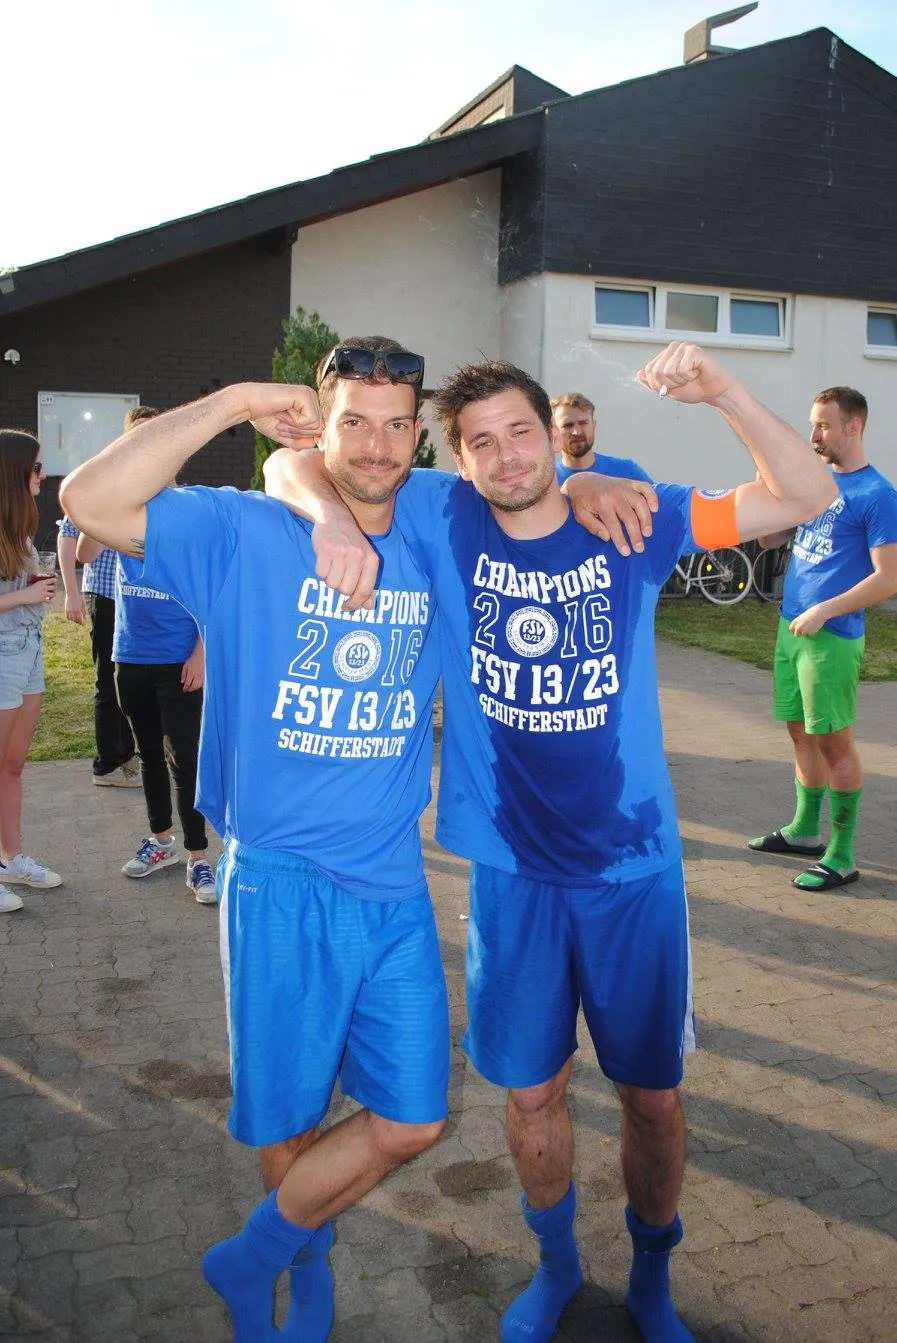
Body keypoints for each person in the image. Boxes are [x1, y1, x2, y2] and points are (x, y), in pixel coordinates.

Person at [265, 341, 837, 1343]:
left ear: (553, 434)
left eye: (521, 432)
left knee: (652, 1098)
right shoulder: (441, 515)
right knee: (531, 1093)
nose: (505, 454)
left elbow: (805, 492)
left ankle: (652, 1271)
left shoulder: (632, 516)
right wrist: (326, 515)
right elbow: (292, 463)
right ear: (457, 459)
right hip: (511, 872)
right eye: (480, 441)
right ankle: (557, 1261)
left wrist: (722, 392)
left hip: (632, 869)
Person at [60, 337, 450, 1343]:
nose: (376, 445)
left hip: (394, 886)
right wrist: (235, 400)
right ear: (318, 426)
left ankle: (254, 1252)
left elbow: (533, 494)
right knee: (288, 1115)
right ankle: (301, 1271)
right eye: (353, 421)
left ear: (420, 433)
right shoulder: (241, 529)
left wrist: (590, 488)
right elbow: (89, 500)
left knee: (415, 1116)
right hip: (280, 878)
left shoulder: (436, 523)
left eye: (396, 424)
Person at [748, 386, 897, 891]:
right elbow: (769, 537)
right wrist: (768, 484)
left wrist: (825, 610)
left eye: (824, 425)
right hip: (791, 628)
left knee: (834, 742)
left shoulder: (877, 495)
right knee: (799, 732)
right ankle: (805, 830)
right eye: (812, 424)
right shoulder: (815, 482)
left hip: (831, 636)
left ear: (853, 426)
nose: (813, 434)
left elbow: (889, 578)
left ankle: (842, 853)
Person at [76, 407, 214, 903]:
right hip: (130, 656)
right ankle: (161, 842)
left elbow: (211, 589)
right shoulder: (120, 508)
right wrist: (111, 487)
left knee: (185, 760)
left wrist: (200, 653)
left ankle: (199, 858)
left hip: (178, 659)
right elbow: (84, 553)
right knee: (149, 754)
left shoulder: (190, 509)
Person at [0, 431, 63, 911]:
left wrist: (38, 585)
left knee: (14, 764)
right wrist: (25, 593)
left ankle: (12, 858)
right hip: (3, 655)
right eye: (37, 467)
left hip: (29, 650)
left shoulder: (18, 530)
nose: (43, 475)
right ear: (15, 471)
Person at [57, 511, 140, 788]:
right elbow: (68, 537)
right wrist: (71, 592)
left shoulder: (139, 492)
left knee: (126, 677)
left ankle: (126, 754)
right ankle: (106, 765)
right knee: (107, 679)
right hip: (105, 595)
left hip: (133, 596)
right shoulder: (91, 494)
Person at [551, 391, 652, 487]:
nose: (577, 432)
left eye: (583, 423)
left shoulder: (627, 471)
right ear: (554, 432)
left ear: (594, 425)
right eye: (568, 425)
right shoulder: (549, 483)